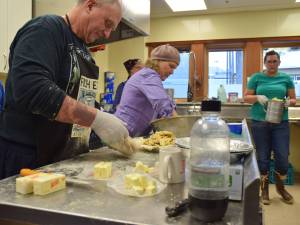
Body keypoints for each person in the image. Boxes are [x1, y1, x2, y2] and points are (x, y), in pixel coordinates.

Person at [0, 0, 138, 180]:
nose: (106, 33)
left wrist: (106, 118)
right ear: (90, 5)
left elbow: (80, 99)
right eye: (107, 23)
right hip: (27, 157)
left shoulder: (85, 52)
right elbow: (31, 89)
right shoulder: (46, 29)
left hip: (59, 158)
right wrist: (98, 119)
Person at [244, 50, 296, 205]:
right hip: (260, 122)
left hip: (281, 122)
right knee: (263, 158)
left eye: (275, 61)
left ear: (279, 63)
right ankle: (264, 189)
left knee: (282, 157)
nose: (272, 64)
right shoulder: (256, 78)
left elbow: (293, 98)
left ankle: (280, 188)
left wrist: (288, 102)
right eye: (269, 61)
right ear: (264, 63)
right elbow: (246, 97)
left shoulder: (286, 78)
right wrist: (257, 97)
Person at [115, 44, 179, 137]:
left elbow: (165, 102)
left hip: (131, 135)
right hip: (122, 134)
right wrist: (182, 128)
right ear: (158, 61)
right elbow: (163, 103)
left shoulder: (151, 78)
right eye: (171, 66)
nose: (172, 71)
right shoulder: (148, 76)